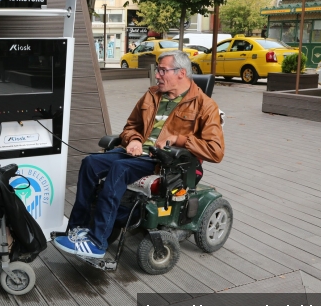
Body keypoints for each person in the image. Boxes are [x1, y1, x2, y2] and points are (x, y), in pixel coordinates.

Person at [53, 50, 225, 258]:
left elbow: (216, 150)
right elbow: (131, 126)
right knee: (90, 163)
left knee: (119, 169)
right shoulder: (152, 95)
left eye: (163, 70)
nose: (158, 75)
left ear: (181, 73)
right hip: (136, 153)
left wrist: (179, 139)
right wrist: (134, 140)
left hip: (162, 162)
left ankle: (97, 242)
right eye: (158, 70)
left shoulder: (205, 105)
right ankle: (77, 228)